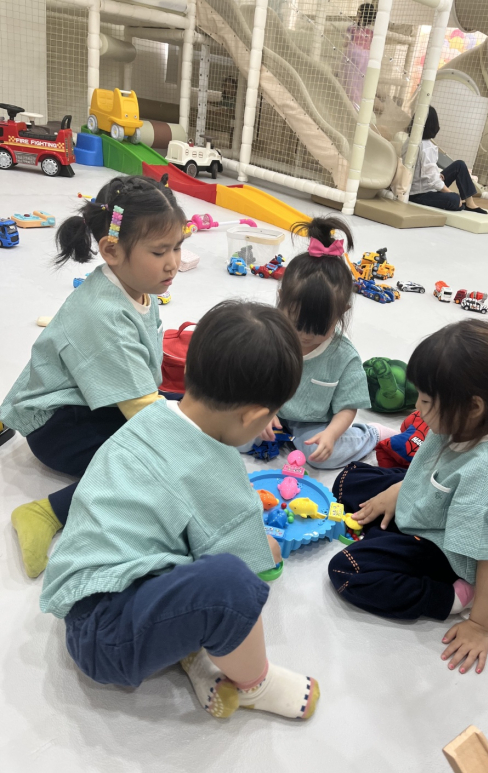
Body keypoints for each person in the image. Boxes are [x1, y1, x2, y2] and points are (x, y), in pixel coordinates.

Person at [39, 300, 320, 721]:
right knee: (232, 585)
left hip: (85, 593)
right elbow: (250, 564)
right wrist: (270, 548)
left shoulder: (148, 418)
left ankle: (192, 655)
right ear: (255, 416)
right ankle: (255, 685)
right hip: (107, 638)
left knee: (190, 557)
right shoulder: (218, 473)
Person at [328, 319, 488, 674]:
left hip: (448, 550)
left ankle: (453, 594)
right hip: (432, 500)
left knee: (347, 569)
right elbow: (431, 470)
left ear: (473, 406)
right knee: (348, 480)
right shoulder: (466, 421)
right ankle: (388, 524)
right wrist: (398, 491)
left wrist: (479, 625)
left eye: (427, 400)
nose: (417, 406)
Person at [0, 175, 187, 578]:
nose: (173, 262)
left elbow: (143, 373)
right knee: (153, 465)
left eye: (177, 246)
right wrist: (196, 443)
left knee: (185, 417)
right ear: (111, 251)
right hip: (58, 426)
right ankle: (46, 512)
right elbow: (143, 411)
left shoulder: (139, 286)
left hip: (93, 399)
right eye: (160, 251)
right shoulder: (105, 315)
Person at [253, 216, 392, 469]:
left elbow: (347, 407)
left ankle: (370, 434)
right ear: (281, 299)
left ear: (341, 312)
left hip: (313, 423)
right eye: (296, 323)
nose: (305, 335)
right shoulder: (268, 336)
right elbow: (252, 382)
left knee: (321, 455)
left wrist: (331, 434)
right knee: (234, 435)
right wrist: (261, 410)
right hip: (268, 410)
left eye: (319, 328)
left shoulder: (343, 356)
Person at [406, 106, 487, 214]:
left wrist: (437, 175)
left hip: (422, 186)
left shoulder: (410, 141)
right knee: (454, 199)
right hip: (419, 194)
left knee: (459, 165)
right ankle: (463, 202)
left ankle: (469, 203)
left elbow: (423, 171)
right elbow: (432, 180)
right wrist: (452, 194)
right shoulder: (425, 147)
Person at [339, 3, 377, 109]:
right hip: (366, 58)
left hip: (352, 55)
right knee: (360, 83)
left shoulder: (352, 28)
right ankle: (357, 105)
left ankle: (348, 105)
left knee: (349, 81)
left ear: (360, 15)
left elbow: (345, 43)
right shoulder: (372, 32)